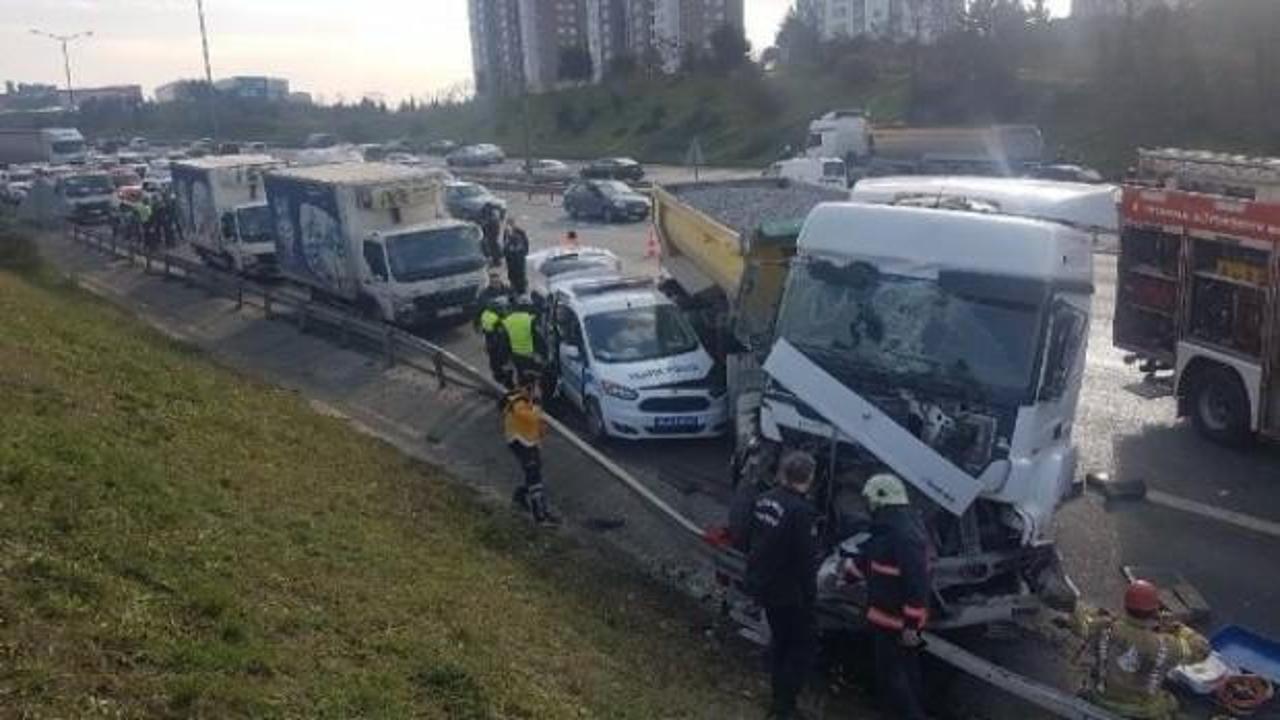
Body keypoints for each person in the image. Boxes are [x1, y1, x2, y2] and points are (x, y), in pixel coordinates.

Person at [744, 451, 821, 720]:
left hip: (765, 584)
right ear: (808, 477)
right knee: (801, 649)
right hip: (791, 591)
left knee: (781, 643)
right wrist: (811, 596)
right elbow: (806, 559)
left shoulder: (764, 500)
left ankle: (779, 704)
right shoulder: (802, 512)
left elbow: (749, 536)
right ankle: (784, 708)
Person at [1065, 580, 1211, 719]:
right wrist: (1177, 627)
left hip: (1101, 699)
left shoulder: (1104, 628)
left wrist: (1095, 613)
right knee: (1172, 703)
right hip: (1142, 710)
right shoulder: (1166, 646)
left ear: (1125, 606)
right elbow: (1203, 649)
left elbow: (1079, 623)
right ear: (1155, 610)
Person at [857, 473, 931, 720]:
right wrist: (848, 572)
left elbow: (916, 583)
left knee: (895, 678)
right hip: (888, 617)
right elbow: (873, 558)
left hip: (895, 621)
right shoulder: (892, 527)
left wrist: (911, 626)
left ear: (880, 499)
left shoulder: (903, 535)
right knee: (903, 675)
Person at [502, 372, 558, 526]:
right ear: (530, 386)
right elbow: (531, 417)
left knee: (534, 474)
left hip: (530, 442)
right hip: (519, 442)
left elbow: (538, 425)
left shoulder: (530, 400)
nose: (539, 389)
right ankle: (540, 517)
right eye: (537, 386)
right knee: (534, 477)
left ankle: (520, 498)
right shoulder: (518, 402)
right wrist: (539, 408)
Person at [477, 294, 513, 388]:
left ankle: (498, 377)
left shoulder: (485, 314)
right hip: (497, 342)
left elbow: (483, 328)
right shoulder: (497, 319)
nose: (504, 309)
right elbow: (503, 330)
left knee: (494, 361)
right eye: (502, 307)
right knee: (503, 362)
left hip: (489, 341)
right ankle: (507, 383)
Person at [501, 298, 541, 379]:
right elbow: (538, 339)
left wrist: (506, 360)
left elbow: (504, 343)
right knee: (535, 376)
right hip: (530, 354)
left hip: (516, 355)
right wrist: (542, 354)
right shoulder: (529, 319)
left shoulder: (506, 321)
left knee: (521, 375)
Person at [502, 218, 530, 294]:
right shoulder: (506, 232)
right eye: (508, 224)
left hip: (519, 258)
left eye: (511, 224)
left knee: (520, 274)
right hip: (510, 259)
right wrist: (506, 253)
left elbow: (526, 243)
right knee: (511, 274)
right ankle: (513, 287)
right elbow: (504, 244)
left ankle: (522, 289)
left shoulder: (520, 232)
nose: (510, 226)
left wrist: (523, 253)